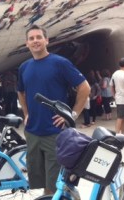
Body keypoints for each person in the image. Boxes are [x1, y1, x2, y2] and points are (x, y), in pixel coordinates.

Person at [17, 25, 90, 195]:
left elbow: (84, 87)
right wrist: (26, 113)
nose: (35, 41)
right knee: (40, 180)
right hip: (32, 133)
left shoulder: (60, 63)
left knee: (55, 183)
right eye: (31, 38)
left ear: (46, 40)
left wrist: (71, 115)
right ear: (27, 43)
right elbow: (21, 92)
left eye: (39, 37)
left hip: (54, 133)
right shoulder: (24, 67)